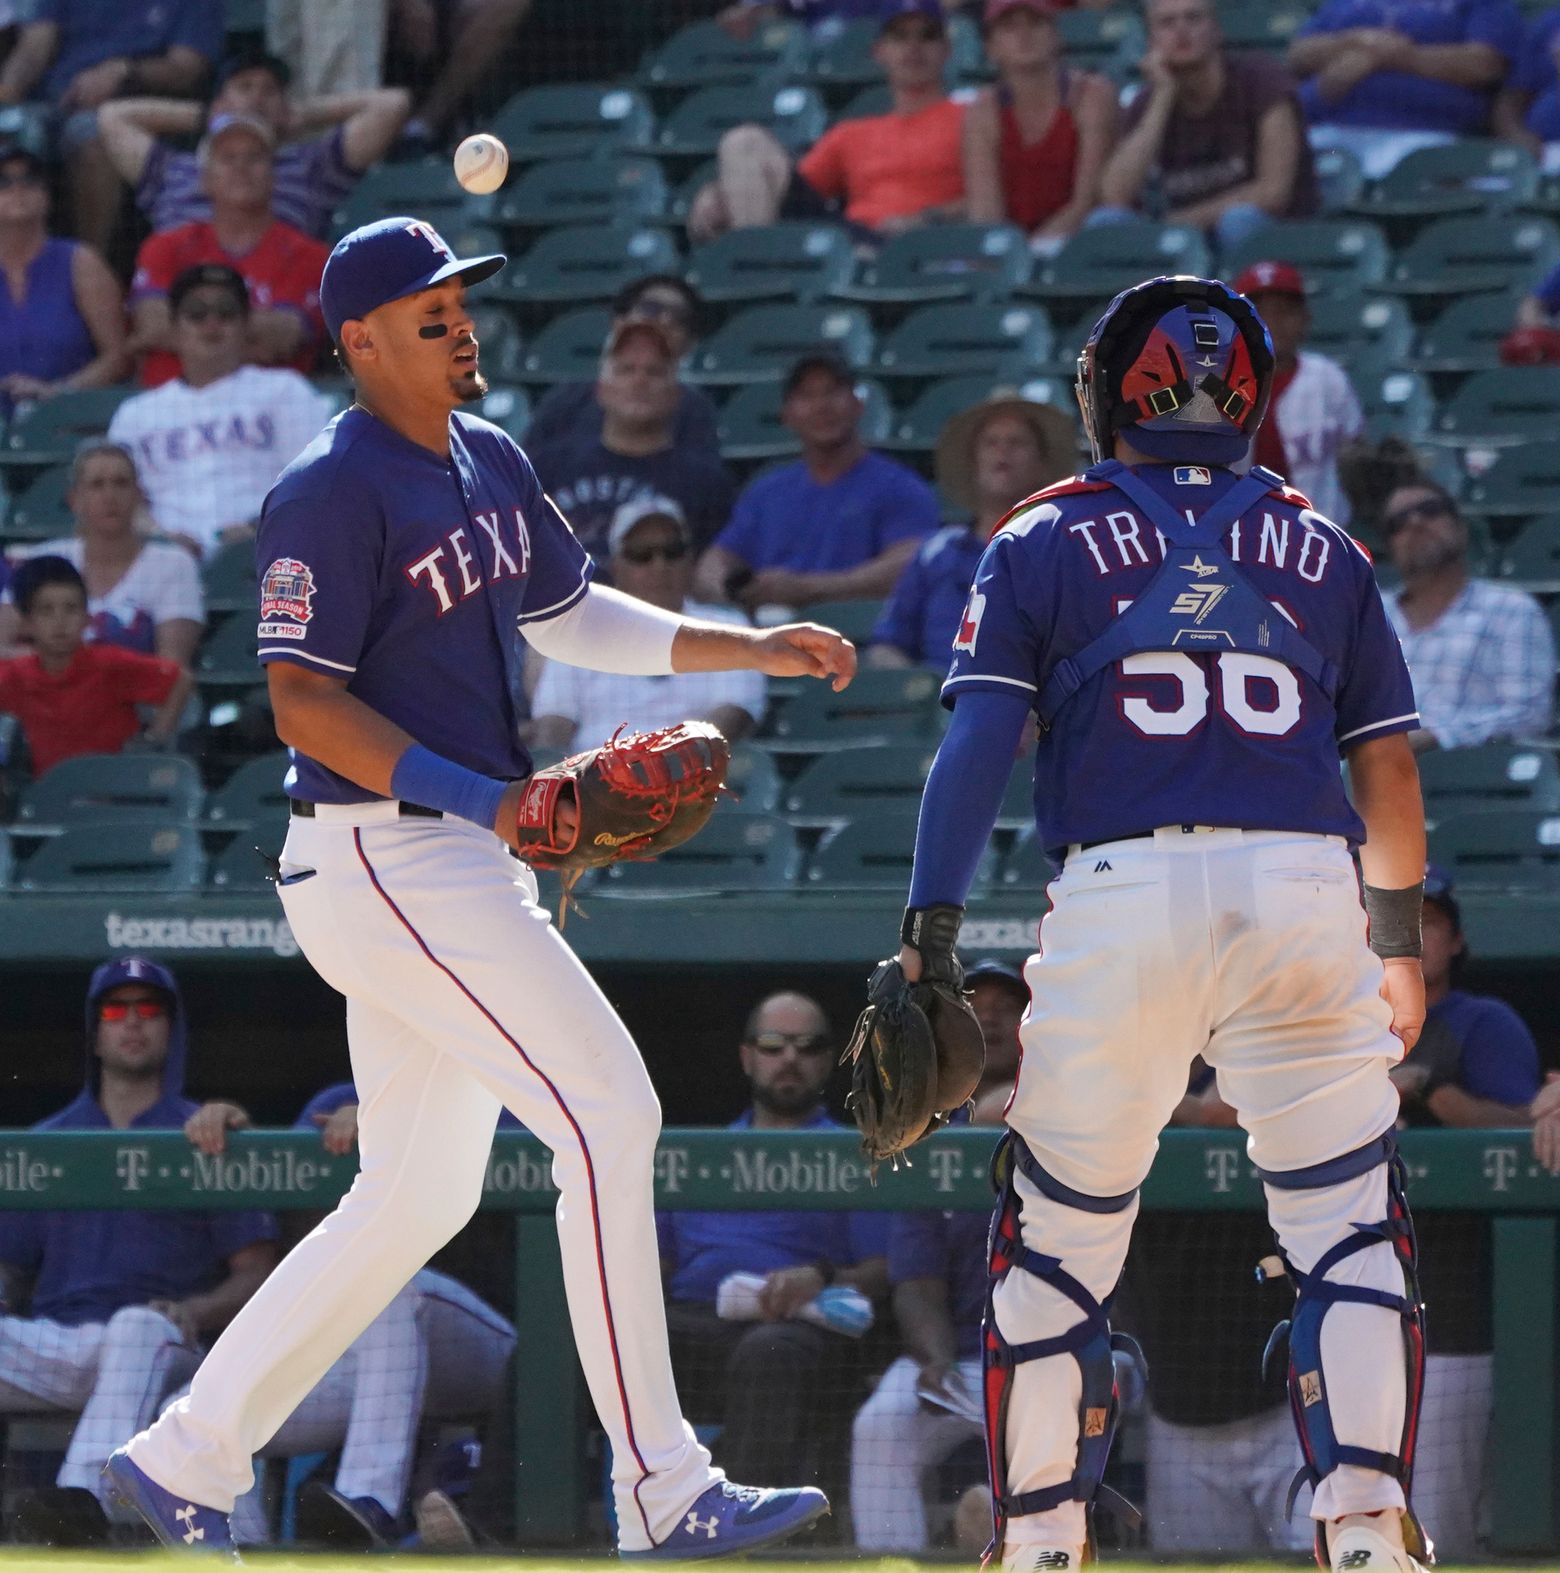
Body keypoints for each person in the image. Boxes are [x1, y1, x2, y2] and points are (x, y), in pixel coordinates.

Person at [104, 213, 854, 1560]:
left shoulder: (491, 458)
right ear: (363, 338)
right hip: (385, 848)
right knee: (610, 1111)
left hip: (448, 853)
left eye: (463, 301)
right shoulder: (333, 486)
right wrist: (488, 797)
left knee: (417, 1194)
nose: (462, 322)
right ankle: (667, 1489)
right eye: (433, 306)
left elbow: (571, 614)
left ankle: (183, 1457)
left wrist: (745, 646)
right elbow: (298, 703)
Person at [879, 273, 1437, 1573]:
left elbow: (974, 754)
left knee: (1061, 1231)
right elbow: (1393, 779)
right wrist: (1396, 941)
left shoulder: (1038, 533)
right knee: (1348, 1223)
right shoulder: (1327, 546)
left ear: (1103, 395)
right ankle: (1364, 1527)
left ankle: (1038, 1537)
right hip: (1307, 891)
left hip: (1122, 895)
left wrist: (930, 941)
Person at [0, 959, 277, 1541]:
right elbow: (10, 1268)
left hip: (166, 1344)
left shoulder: (204, 1133)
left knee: (135, 1328)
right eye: (115, 1009)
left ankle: (79, 1508)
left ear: (171, 1029)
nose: (132, 1022)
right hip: (62, 1347)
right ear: (94, 1032)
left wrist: (195, 1312)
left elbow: (257, 1270)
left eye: (149, 1009)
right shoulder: (49, 1140)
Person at [181, 1083, 518, 1550]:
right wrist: (243, 1138)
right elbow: (294, 1226)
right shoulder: (331, 1100)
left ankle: (368, 1500)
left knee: (387, 1289)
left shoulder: (488, 1087)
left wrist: (393, 1122)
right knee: (190, 1416)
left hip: (489, 1351)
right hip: (373, 1359)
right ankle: (245, 1550)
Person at [658, 992, 889, 1493]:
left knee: (769, 1351)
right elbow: (651, 1268)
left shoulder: (856, 1155)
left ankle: (740, 1522)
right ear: (747, 1058)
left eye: (808, 1046)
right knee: (581, 1343)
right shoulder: (699, 1156)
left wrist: (820, 1277)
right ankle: (494, 1525)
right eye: (772, 1044)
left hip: (799, 1332)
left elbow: (883, 1269)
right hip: (698, 1325)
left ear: (829, 1061)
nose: (790, 1058)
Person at [1384, 867, 1540, 1558]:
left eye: (1430, 922)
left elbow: (1520, 1128)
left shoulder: (1482, 1021)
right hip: (1348, 1307)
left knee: (1435, 1529)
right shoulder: (1337, 1025)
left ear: (1457, 939)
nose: (1411, 937)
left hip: (1454, 1318)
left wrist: (1431, 1089)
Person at [1121, 1060, 1311, 1555]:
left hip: (1286, 1413)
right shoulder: (1120, 1070)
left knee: (1319, 1558)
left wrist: (1156, 1096)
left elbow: (1223, 1111)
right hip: (1182, 1417)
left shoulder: (1255, 1057)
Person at [108, 263, 336, 561]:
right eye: (197, 314)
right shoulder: (135, 415)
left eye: (226, 313)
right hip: (166, 562)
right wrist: (159, 539)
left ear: (246, 327)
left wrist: (260, 528)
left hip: (270, 551)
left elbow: (316, 482)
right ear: (175, 329)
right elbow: (118, 498)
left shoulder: (285, 391)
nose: (212, 324)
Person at [689, 0, 965, 244]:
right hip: (853, 242)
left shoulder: (970, 119)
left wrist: (925, 220)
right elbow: (778, 182)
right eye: (900, 36)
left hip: (929, 244)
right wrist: (720, 191)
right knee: (744, 142)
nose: (913, 47)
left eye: (927, 35)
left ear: (947, 49)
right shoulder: (853, 134)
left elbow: (993, 198)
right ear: (879, 51)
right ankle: (755, 267)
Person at [696, 352, 940, 613]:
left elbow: (910, 563)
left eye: (833, 392)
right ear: (787, 415)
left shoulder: (899, 487)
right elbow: (715, 561)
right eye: (806, 396)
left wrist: (808, 589)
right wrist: (733, 593)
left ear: (858, 405)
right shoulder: (767, 492)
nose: (821, 405)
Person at [98, 49, 411, 241]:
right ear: (220, 99)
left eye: (270, 90)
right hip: (190, 308)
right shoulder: (176, 169)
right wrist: (206, 115)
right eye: (244, 88)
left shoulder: (311, 167)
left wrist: (300, 115)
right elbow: (112, 116)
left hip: (279, 303)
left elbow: (392, 104)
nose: (257, 98)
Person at [530, 497, 766, 750]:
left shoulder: (729, 627)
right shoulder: (577, 633)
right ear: (616, 567)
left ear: (690, 559)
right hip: (593, 779)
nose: (660, 565)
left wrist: (665, 768)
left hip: (694, 777)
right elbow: (553, 724)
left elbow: (734, 714)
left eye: (672, 552)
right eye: (641, 555)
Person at [868, 393, 1076, 668]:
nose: (1003, 452)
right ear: (973, 464)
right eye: (991, 443)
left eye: (1017, 442)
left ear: (1042, 465)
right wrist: (921, 695)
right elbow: (887, 645)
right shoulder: (935, 552)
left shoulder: (1065, 552)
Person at [128, 112, 331, 388]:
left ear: (274, 176)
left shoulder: (311, 256)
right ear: (205, 179)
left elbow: (285, 335)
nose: (241, 167)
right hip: (167, 412)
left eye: (254, 157)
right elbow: (152, 324)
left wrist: (187, 334)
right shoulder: (166, 246)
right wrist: (248, 338)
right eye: (227, 158)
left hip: (266, 412)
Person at [0, 0, 222, 250]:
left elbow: (188, 68)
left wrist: (122, 72)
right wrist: (6, 93)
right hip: (53, 102)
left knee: (93, 134)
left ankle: (87, 264)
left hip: (136, 111)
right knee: (11, 128)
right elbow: (34, 47)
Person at [1096, 0, 1317, 250]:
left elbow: (1273, 193)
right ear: (1150, 41)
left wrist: (1178, 223)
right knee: (1105, 223)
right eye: (1167, 23)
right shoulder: (1148, 101)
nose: (1181, 30)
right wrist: (1162, 98)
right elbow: (1115, 195)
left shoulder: (1260, 80)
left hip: (1269, 234)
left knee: (1238, 221)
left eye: (1193, 18)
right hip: (1181, 241)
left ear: (1216, 30)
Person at [527, 319, 736, 562]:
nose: (640, 381)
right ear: (601, 390)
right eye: (626, 370)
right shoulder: (548, 468)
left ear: (676, 394)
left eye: (654, 372)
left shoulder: (706, 485)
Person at [1379, 479, 1555, 752]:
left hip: (1467, 780)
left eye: (1430, 510)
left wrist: (1434, 737)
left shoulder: (1511, 610)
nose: (1414, 523)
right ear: (1390, 550)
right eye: (1398, 523)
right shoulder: (1366, 616)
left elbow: (1528, 715)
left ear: (1461, 529)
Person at [0, 441, 203, 663]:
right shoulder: (43, 563)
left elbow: (171, 667)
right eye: (97, 485)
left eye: (121, 483)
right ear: (75, 500)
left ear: (138, 495)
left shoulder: (172, 564)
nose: (110, 496)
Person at [0, 555, 192, 777]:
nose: (60, 622)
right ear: (26, 623)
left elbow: (179, 679)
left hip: (114, 789)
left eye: (71, 609)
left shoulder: (109, 664)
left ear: (87, 618)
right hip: (46, 797)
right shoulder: (16, 675)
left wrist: (154, 739)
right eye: (46, 611)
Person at [1290, 0, 1522, 180]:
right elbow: (1298, 54)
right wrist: (1352, 42)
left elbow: (1487, 65)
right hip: (1330, 130)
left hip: (1424, 134)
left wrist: (1399, 58)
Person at [962, 0, 1118, 246]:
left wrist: (1033, 251)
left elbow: (1088, 200)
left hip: (1081, 238)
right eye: (1010, 27)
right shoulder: (983, 110)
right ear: (991, 46)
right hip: (1013, 246)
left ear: (1056, 36)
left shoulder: (1091, 95)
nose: (1024, 35)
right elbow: (985, 212)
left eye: (1035, 23)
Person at [0, 143, 128, 416]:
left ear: (47, 194)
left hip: (68, 422)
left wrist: (57, 394)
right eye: (3, 181)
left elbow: (119, 357)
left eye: (30, 180)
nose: (18, 188)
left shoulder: (82, 263)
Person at [524, 275, 719, 453]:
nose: (665, 320)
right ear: (619, 321)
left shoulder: (696, 411)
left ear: (689, 343)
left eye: (680, 317)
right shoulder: (565, 401)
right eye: (652, 308)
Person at [1232, 261, 1363, 526]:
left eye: (1284, 312)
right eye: (1260, 313)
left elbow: (1356, 455)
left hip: (1321, 533)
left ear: (1305, 318)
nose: (1273, 322)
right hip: (1235, 536)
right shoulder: (1214, 384)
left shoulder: (1328, 379)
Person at [965, 958, 1030, 1123]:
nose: (988, 1018)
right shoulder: (921, 1111)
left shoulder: (1063, 1099)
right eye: (971, 1008)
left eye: (1006, 1007)